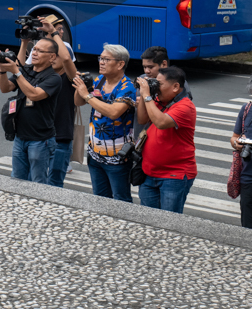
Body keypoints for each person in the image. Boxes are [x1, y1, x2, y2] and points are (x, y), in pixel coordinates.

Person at [17, 16, 77, 187]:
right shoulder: (37, 74)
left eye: (56, 55)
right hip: (35, 137)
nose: (55, 58)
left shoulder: (70, 77)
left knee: (54, 185)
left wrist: (53, 32)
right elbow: (20, 67)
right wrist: (24, 42)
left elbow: (66, 58)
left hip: (60, 137)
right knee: (29, 182)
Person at [73, 44, 136, 202]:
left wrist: (87, 96)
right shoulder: (99, 80)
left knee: (121, 199)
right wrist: (81, 87)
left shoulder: (127, 87)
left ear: (120, 64)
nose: (101, 62)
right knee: (100, 198)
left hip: (118, 156)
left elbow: (114, 112)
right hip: (95, 153)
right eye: (100, 58)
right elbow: (79, 102)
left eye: (106, 59)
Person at [0, 38, 62, 184]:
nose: (35, 53)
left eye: (40, 51)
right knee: (17, 179)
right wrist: (2, 71)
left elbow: (34, 94)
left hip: (40, 140)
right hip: (20, 136)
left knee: (37, 182)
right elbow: (5, 88)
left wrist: (17, 72)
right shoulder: (26, 71)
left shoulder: (54, 78)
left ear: (52, 56)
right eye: (34, 49)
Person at [136, 66, 196, 214]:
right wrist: (146, 97)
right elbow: (143, 119)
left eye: (159, 84)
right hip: (149, 173)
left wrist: (147, 96)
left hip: (174, 176)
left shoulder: (186, 106)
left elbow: (161, 122)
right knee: (148, 222)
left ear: (175, 87)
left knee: (168, 224)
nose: (156, 87)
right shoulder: (158, 100)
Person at [134, 46, 193, 138]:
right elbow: (142, 120)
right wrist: (142, 98)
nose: (147, 71)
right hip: (143, 138)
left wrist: (147, 97)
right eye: (144, 67)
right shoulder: (144, 79)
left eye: (150, 67)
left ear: (164, 64)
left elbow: (164, 121)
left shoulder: (177, 84)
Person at [230, 73, 252, 229]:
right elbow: (234, 137)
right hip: (249, 177)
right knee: (248, 227)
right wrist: (237, 144)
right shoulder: (246, 109)